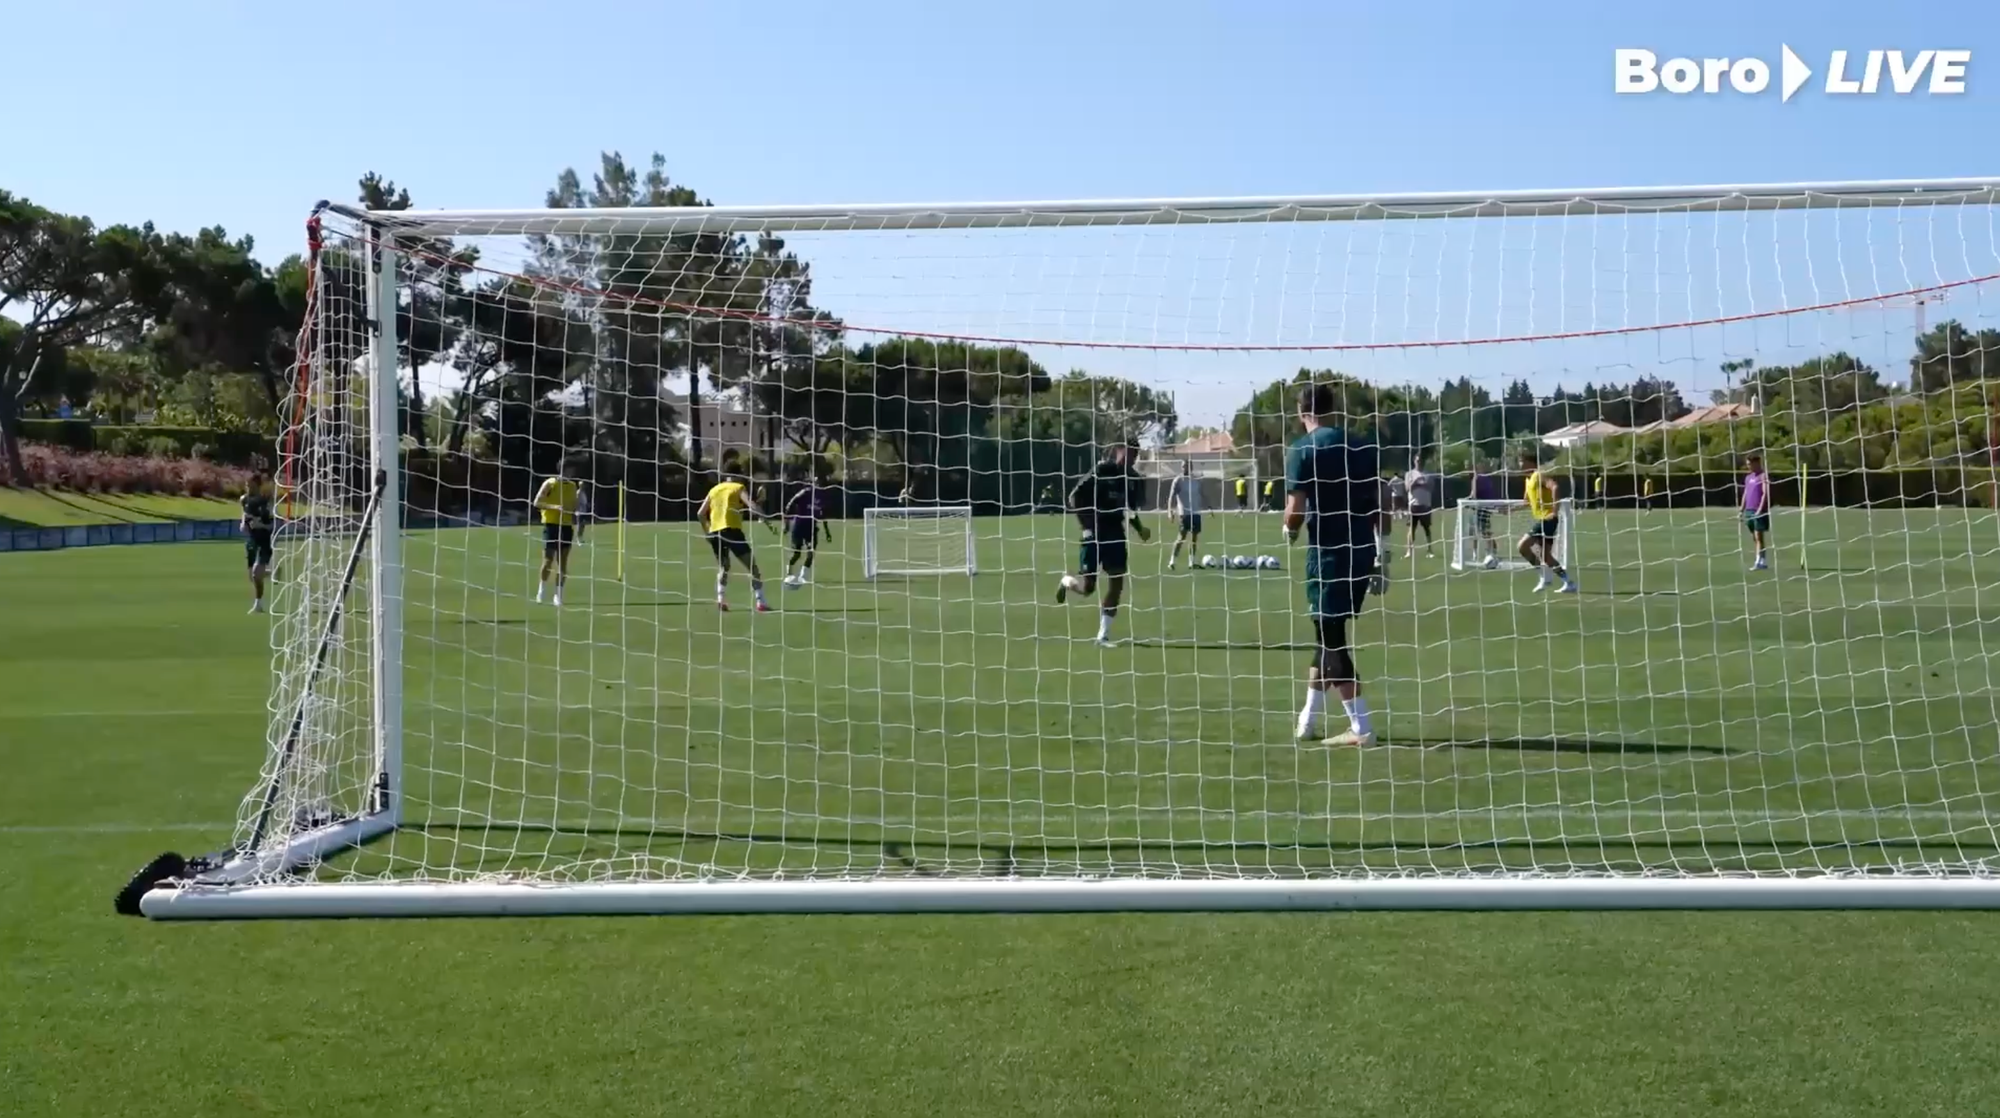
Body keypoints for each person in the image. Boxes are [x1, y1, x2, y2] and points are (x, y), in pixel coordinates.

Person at [1284, 383, 1385, 746]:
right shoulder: (1361, 445)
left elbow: (1295, 510)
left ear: (1301, 412)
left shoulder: (1302, 449)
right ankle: (1308, 720)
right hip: (1362, 552)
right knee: (1326, 636)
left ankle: (1361, 727)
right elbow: (1381, 501)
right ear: (1334, 408)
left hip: (1328, 555)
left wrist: (1288, 528)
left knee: (1332, 641)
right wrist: (1383, 556)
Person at [1055, 439, 1150, 647]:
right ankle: (1067, 582)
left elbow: (1129, 510)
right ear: (1118, 450)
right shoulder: (1101, 470)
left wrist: (1140, 528)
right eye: (1130, 453)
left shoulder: (1132, 478)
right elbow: (1074, 497)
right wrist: (1086, 525)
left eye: (1136, 454)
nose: (1133, 458)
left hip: (1115, 533)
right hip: (1094, 533)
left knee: (1117, 582)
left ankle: (1102, 636)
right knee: (1088, 588)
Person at [697, 472, 772, 612]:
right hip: (732, 531)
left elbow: (700, 513)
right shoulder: (738, 487)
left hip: (715, 532)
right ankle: (760, 601)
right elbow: (751, 505)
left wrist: (707, 532)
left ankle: (720, 599)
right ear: (737, 475)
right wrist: (764, 517)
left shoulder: (714, 490)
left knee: (724, 567)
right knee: (752, 567)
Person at [1517, 451, 1577, 593]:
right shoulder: (1528, 480)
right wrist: (1508, 510)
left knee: (1522, 546)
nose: (1519, 464)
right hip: (1542, 519)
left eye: (1521, 461)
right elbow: (1526, 502)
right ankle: (1568, 582)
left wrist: (1554, 511)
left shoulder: (1538, 475)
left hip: (1547, 519)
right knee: (1546, 555)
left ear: (1529, 462)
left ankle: (1544, 575)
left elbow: (1554, 486)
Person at [532, 462, 583, 606]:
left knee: (563, 562)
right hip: (551, 526)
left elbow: (573, 507)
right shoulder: (550, 483)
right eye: (571, 470)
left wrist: (577, 507)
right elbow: (537, 502)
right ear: (563, 470)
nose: (572, 473)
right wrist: (554, 507)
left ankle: (558, 595)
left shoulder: (572, 486)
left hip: (566, 526)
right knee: (548, 560)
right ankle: (541, 591)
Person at [782, 480, 832, 586]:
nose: (818, 485)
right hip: (799, 526)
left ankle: (803, 576)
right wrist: (786, 524)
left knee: (811, 552)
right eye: (816, 483)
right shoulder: (805, 493)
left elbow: (823, 515)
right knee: (797, 553)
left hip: (811, 528)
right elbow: (789, 505)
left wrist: (827, 532)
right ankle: (789, 572)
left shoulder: (821, 497)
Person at [240, 472, 276, 614]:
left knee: (255, 574)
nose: (248, 487)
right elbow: (244, 513)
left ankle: (258, 605)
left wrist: (260, 525)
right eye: (247, 485)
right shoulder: (244, 499)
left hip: (264, 540)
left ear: (258, 486)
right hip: (251, 540)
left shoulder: (265, 502)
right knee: (252, 576)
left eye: (251, 485)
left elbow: (272, 526)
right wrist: (243, 523)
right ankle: (272, 572)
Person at [1166, 460, 1203, 570]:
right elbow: (1171, 497)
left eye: (1187, 466)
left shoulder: (1195, 480)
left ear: (1191, 467)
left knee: (1194, 538)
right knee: (1181, 537)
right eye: (1183, 466)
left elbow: (1202, 493)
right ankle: (1172, 561)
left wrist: (1210, 506)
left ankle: (1191, 562)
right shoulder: (1178, 480)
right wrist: (1170, 511)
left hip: (1196, 513)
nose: (1185, 468)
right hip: (1184, 513)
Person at [1743, 453, 1772, 570]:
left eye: (1750, 464)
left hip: (1758, 510)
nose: (1748, 466)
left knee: (1758, 536)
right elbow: (1746, 493)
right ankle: (1762, 560)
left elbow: (1765, 493)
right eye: (1747, 464)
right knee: (1755, 537)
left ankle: (1758, 561)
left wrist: (1760, 508)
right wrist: (1742, 508)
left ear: (1756, 463)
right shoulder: (1748, 477)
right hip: (1749, 510)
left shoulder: (1763, 476)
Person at [1469, 462, 1501, 568]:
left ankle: (1487, 553)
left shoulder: (1477, 478)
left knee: (1481, 531)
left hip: (1479, 508)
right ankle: (1490, 552)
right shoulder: (1486, 479)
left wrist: (1469, 500)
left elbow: (1473, 495)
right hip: (1486, 508)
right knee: (1483, 531)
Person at [1403, 458, 1436, 559]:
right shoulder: (1409, 474)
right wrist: (1415, 482)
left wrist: (1421, 484)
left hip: (1425, 505)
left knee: (1427, 528)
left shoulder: (1428, 474)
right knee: (1411, 528)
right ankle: (1409, 551)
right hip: (1413, 505)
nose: (1419, 462)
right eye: (1417, 461)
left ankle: (1430, 550)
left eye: (1421, 461)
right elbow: (1407, 488)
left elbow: (1431, 488)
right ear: (1414, 461)